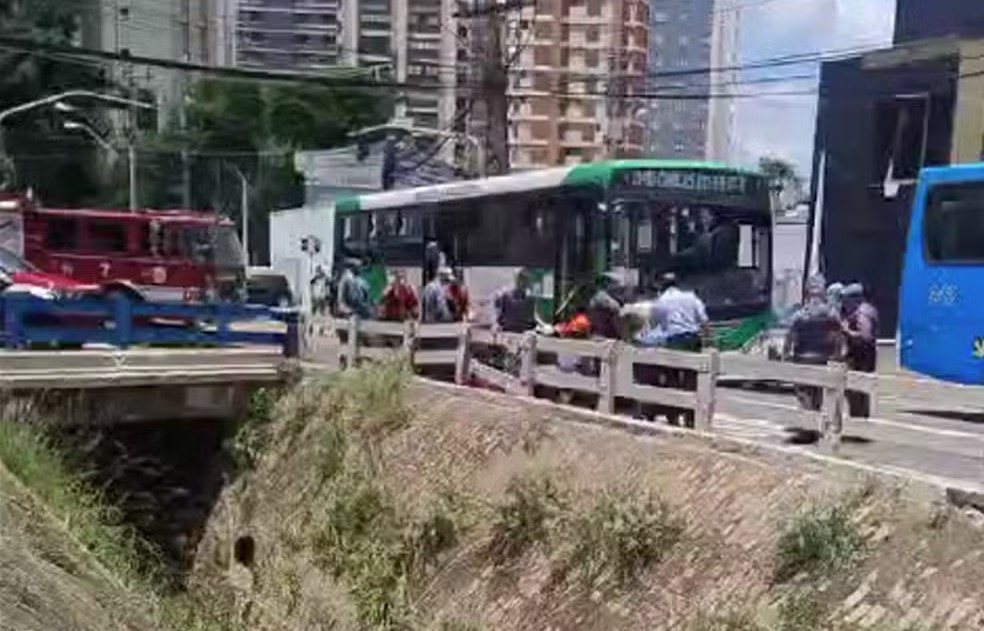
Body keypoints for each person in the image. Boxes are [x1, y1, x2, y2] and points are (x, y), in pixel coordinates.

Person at [647, 273, 710, 426]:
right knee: (691, 379)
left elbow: (655, 323)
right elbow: (704, 320)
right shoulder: (691, 297)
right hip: (692, 339)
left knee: (672, 379)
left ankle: (673, 417)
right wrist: (708, 340)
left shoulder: (661, 301)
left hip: (674, 340)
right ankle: (690, 418)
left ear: (662, 286)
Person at [783, 274, 845, 411]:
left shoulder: (799, 314)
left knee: (803, 391)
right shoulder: (831, 313)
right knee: (818, 392)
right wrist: (837, 355)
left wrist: (785, 355)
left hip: (802, 358)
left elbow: (789, 336)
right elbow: (839, 337)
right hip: (823, 359)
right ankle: (814, 417)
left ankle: (808, 418)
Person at [842, 283, 878, 418]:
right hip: (866, 357)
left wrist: (846, 331)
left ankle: (859, 420)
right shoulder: (868, 309)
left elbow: (865, 336)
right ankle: (860, 419)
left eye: (846, 298)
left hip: (860, 357)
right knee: (860, 392)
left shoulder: (862, 313)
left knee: (856, 391)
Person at [494, 268, 537, 333]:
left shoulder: (530, 299)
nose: (522, 283)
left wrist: (543, 327)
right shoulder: (505, 296)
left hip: (523, 333)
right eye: (520, 279)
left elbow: (533, 319)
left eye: (525, 280)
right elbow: (499, 318)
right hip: (508, 332)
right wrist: (496, 326)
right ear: (515, 280)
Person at [587, 273, 624, 339]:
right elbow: (616, 308)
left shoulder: (610, 296)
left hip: (606, 335)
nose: (618, 287)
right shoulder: (601, 296)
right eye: (615, 284)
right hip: (602, 335)